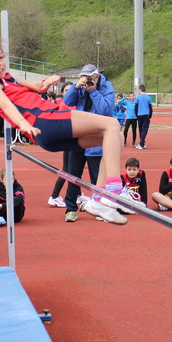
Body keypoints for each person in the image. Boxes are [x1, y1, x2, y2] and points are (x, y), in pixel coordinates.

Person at [0, 16, 126, 225]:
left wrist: (49, 81)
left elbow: (37, 87)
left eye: (1, 57)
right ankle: (115, 188)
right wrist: (23, 123)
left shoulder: (7, 77)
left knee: (115, 136)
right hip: (45, 120)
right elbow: (7, 106)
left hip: (44, 132)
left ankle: (98, 199)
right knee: (112, 123)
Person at [61, 63, 116, 223]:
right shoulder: (80, 87)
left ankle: (99, 208)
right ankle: (70, 209)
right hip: (79, 136)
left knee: (97, 177)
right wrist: (76, 87)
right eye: (83, 77)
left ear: (96, 77)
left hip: (95, 139)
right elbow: (67, 101)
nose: (86, 81)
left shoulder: (107, 88)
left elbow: (105, 110)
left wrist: (93, 91)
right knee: (73, 175)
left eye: (89, 78)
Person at [47, 82, 73, 208]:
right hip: (68, 140)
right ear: (62, 93)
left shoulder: (76, 104)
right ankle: (54, 196)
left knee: (74, 170)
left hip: (75, 140)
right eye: (66, 90)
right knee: (67, 170)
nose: (68, 92)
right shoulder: (63, 105)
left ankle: (76, 194)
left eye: (71, 89)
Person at [135, 85, 153, 149]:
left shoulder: (138, 97)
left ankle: (142, 143)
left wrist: (136, 115)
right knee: (144, 129)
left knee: (140, 129)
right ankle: (142, 142)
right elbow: (150, 108)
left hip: (140, 115)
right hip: (146, 115)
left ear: (140, 90)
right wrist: (150, 115)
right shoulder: (148, 98)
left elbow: (136, 107)